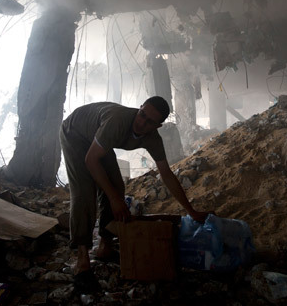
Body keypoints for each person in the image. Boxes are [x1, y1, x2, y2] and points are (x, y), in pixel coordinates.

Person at [59, 96, 211, 289]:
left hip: (97, 138)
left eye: (149, 122)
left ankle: (105, 246)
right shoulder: (118, 122)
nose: (142, 123)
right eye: (142, 115)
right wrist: (114, 200)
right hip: (75, 133)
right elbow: (91, 161)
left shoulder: (153, 139)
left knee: (116, 186)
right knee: (84, 191)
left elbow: (166, 174)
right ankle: (82, 261)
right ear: (139, 109)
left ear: (158, 126)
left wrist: (191, 211)